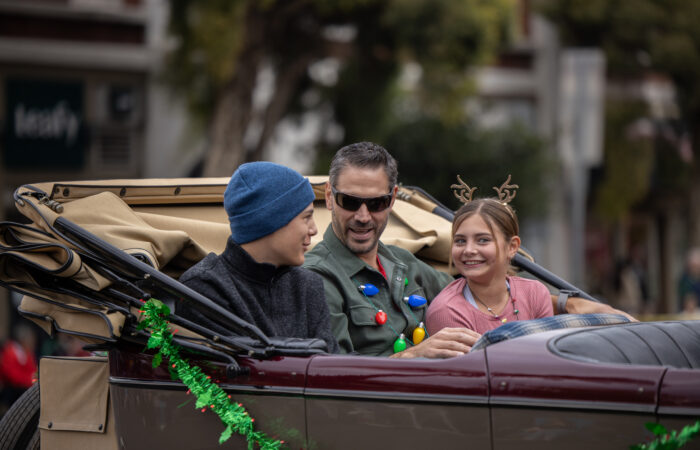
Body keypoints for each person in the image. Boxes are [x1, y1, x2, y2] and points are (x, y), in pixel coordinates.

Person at [304, 142, 634, 358]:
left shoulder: (400, 262)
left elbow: (482, 294)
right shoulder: (317, 276)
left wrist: (568, 303)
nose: (363, 217)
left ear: (391, 201)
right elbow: (334, 375)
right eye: (350, 202)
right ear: (331, 198)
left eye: (375, 203)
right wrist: (414, 356)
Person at [179, 161, 339, 353]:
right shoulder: (204, 289)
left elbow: (330, 364)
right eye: (306, 217)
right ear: (270, 220)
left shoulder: (307, 285)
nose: (314, 229)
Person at [425, 191, 553, 336]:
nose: (469, 250)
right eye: (460, 241)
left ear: (512, 247)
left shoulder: (534, 294)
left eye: (483, 240)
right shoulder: (447, 311)